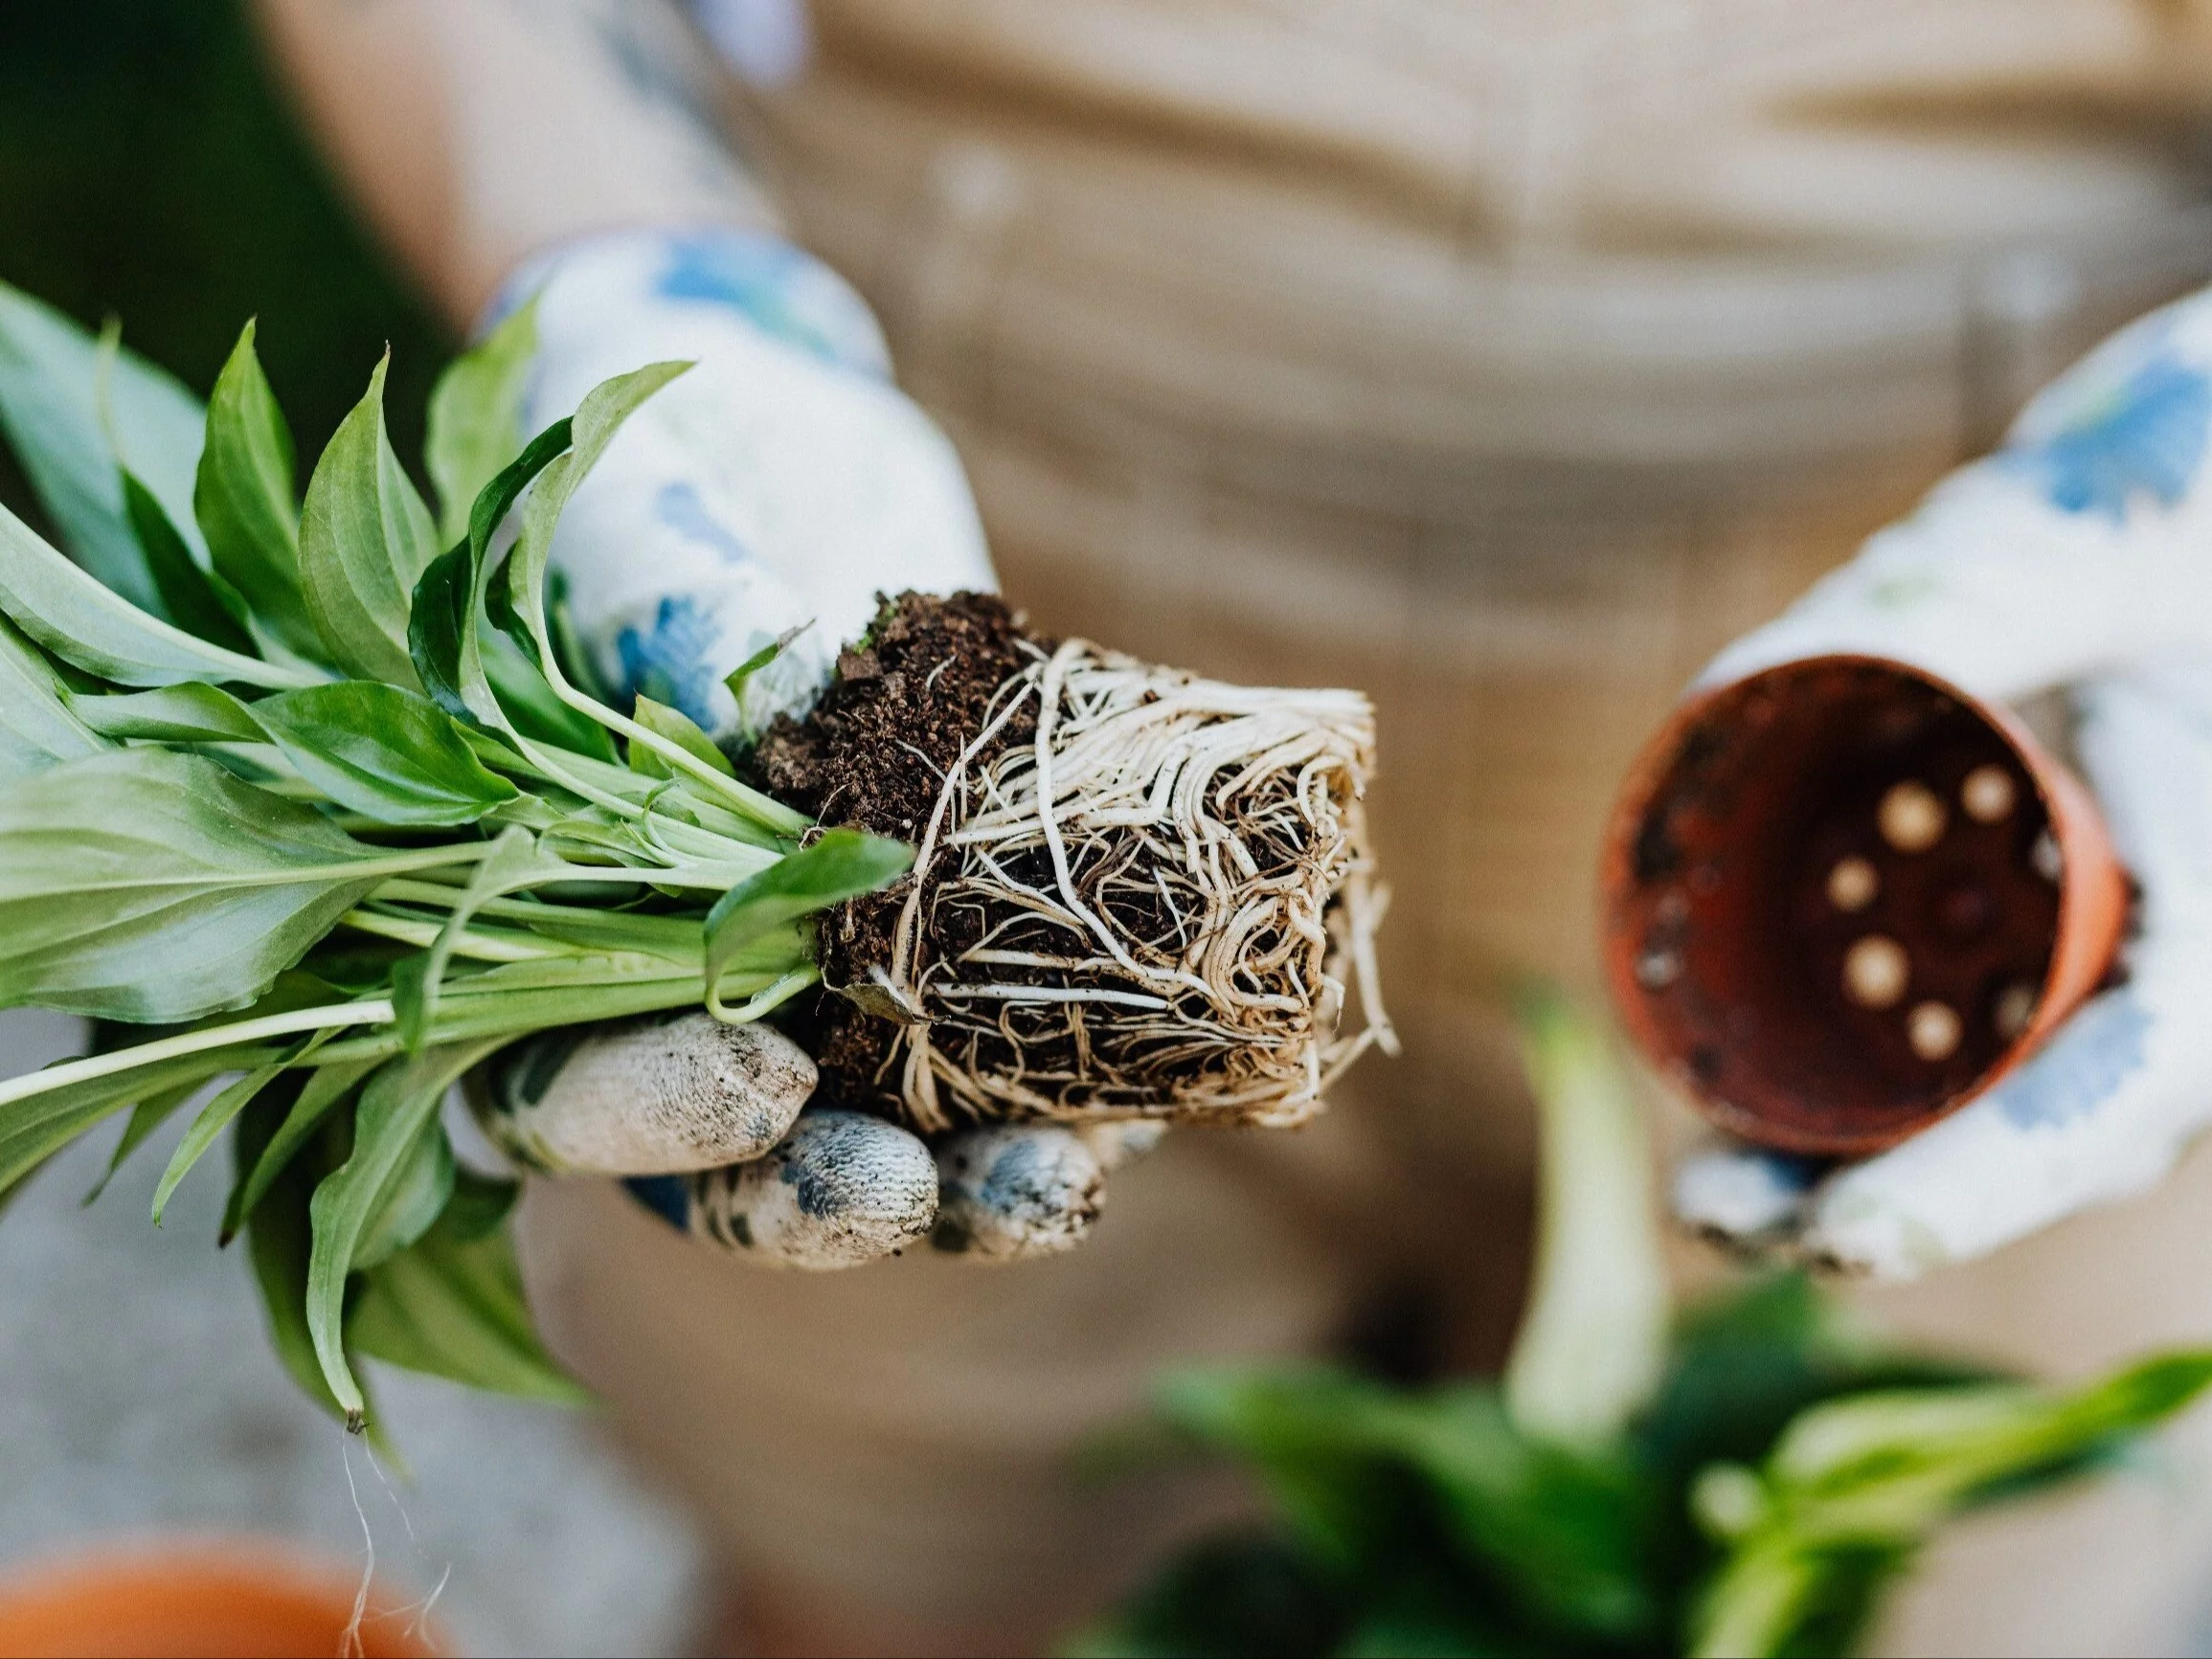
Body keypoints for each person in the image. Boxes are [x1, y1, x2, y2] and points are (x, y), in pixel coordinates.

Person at [254, 3, 2212, 1652]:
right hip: (966, 469)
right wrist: (612, 269)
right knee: (910, 1569)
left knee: (1882, 1583)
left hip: (1997, 650)